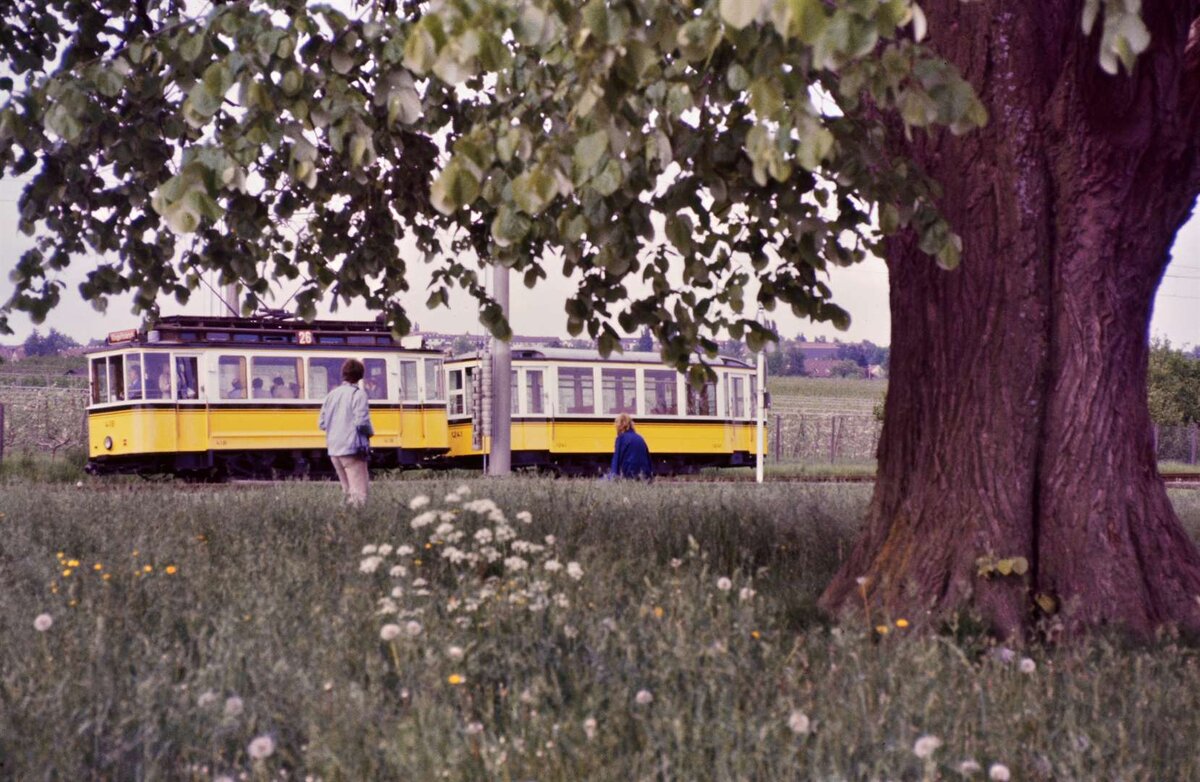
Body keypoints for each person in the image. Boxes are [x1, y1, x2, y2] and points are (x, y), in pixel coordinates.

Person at [318, 358, 374, 506]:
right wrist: (370, 432)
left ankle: (345, 519)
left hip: (334, 450)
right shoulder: (359, 394)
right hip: (352, 449)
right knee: (360, 493)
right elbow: (362, 422)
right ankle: (358, 523)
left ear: (343, 374)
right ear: (360, 375)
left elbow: (322, 423)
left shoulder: (331, 395)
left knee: (347, 491)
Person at [607, 413, 653, 480]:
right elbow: (648, 459)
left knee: (601, 481)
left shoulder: (621, 438)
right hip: (644, 475)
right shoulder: (640, 437)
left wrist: (612, 477)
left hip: (629, 475)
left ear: (620, 425)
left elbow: (616, 460)